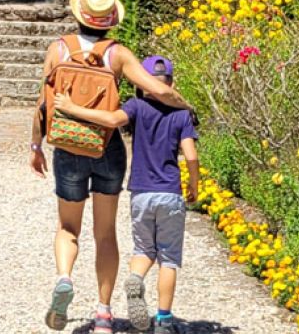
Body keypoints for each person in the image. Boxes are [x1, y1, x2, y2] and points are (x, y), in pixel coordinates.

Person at [32, 0, 190, 333]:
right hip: (107, 147)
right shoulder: (117, 53)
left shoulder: (57, 49)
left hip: (69, 146)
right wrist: (186, 106)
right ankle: (104, 313)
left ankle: (64, 278)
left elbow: (44, 103)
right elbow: (156, 89)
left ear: (79, 15)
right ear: (110, 20)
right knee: (105, 233)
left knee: (68, 227)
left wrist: (35, 145)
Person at [53, 53, 202, 334]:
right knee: (168, 259)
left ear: (143, 82)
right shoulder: (182, 115)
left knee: (144, 249)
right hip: (170, 192)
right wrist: (194, 183)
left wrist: (72, 108)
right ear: (171, 82)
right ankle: (164, 321)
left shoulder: (137, 107)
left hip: (141, 193)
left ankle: (135, 276)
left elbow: (109, 119)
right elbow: (191, 156)